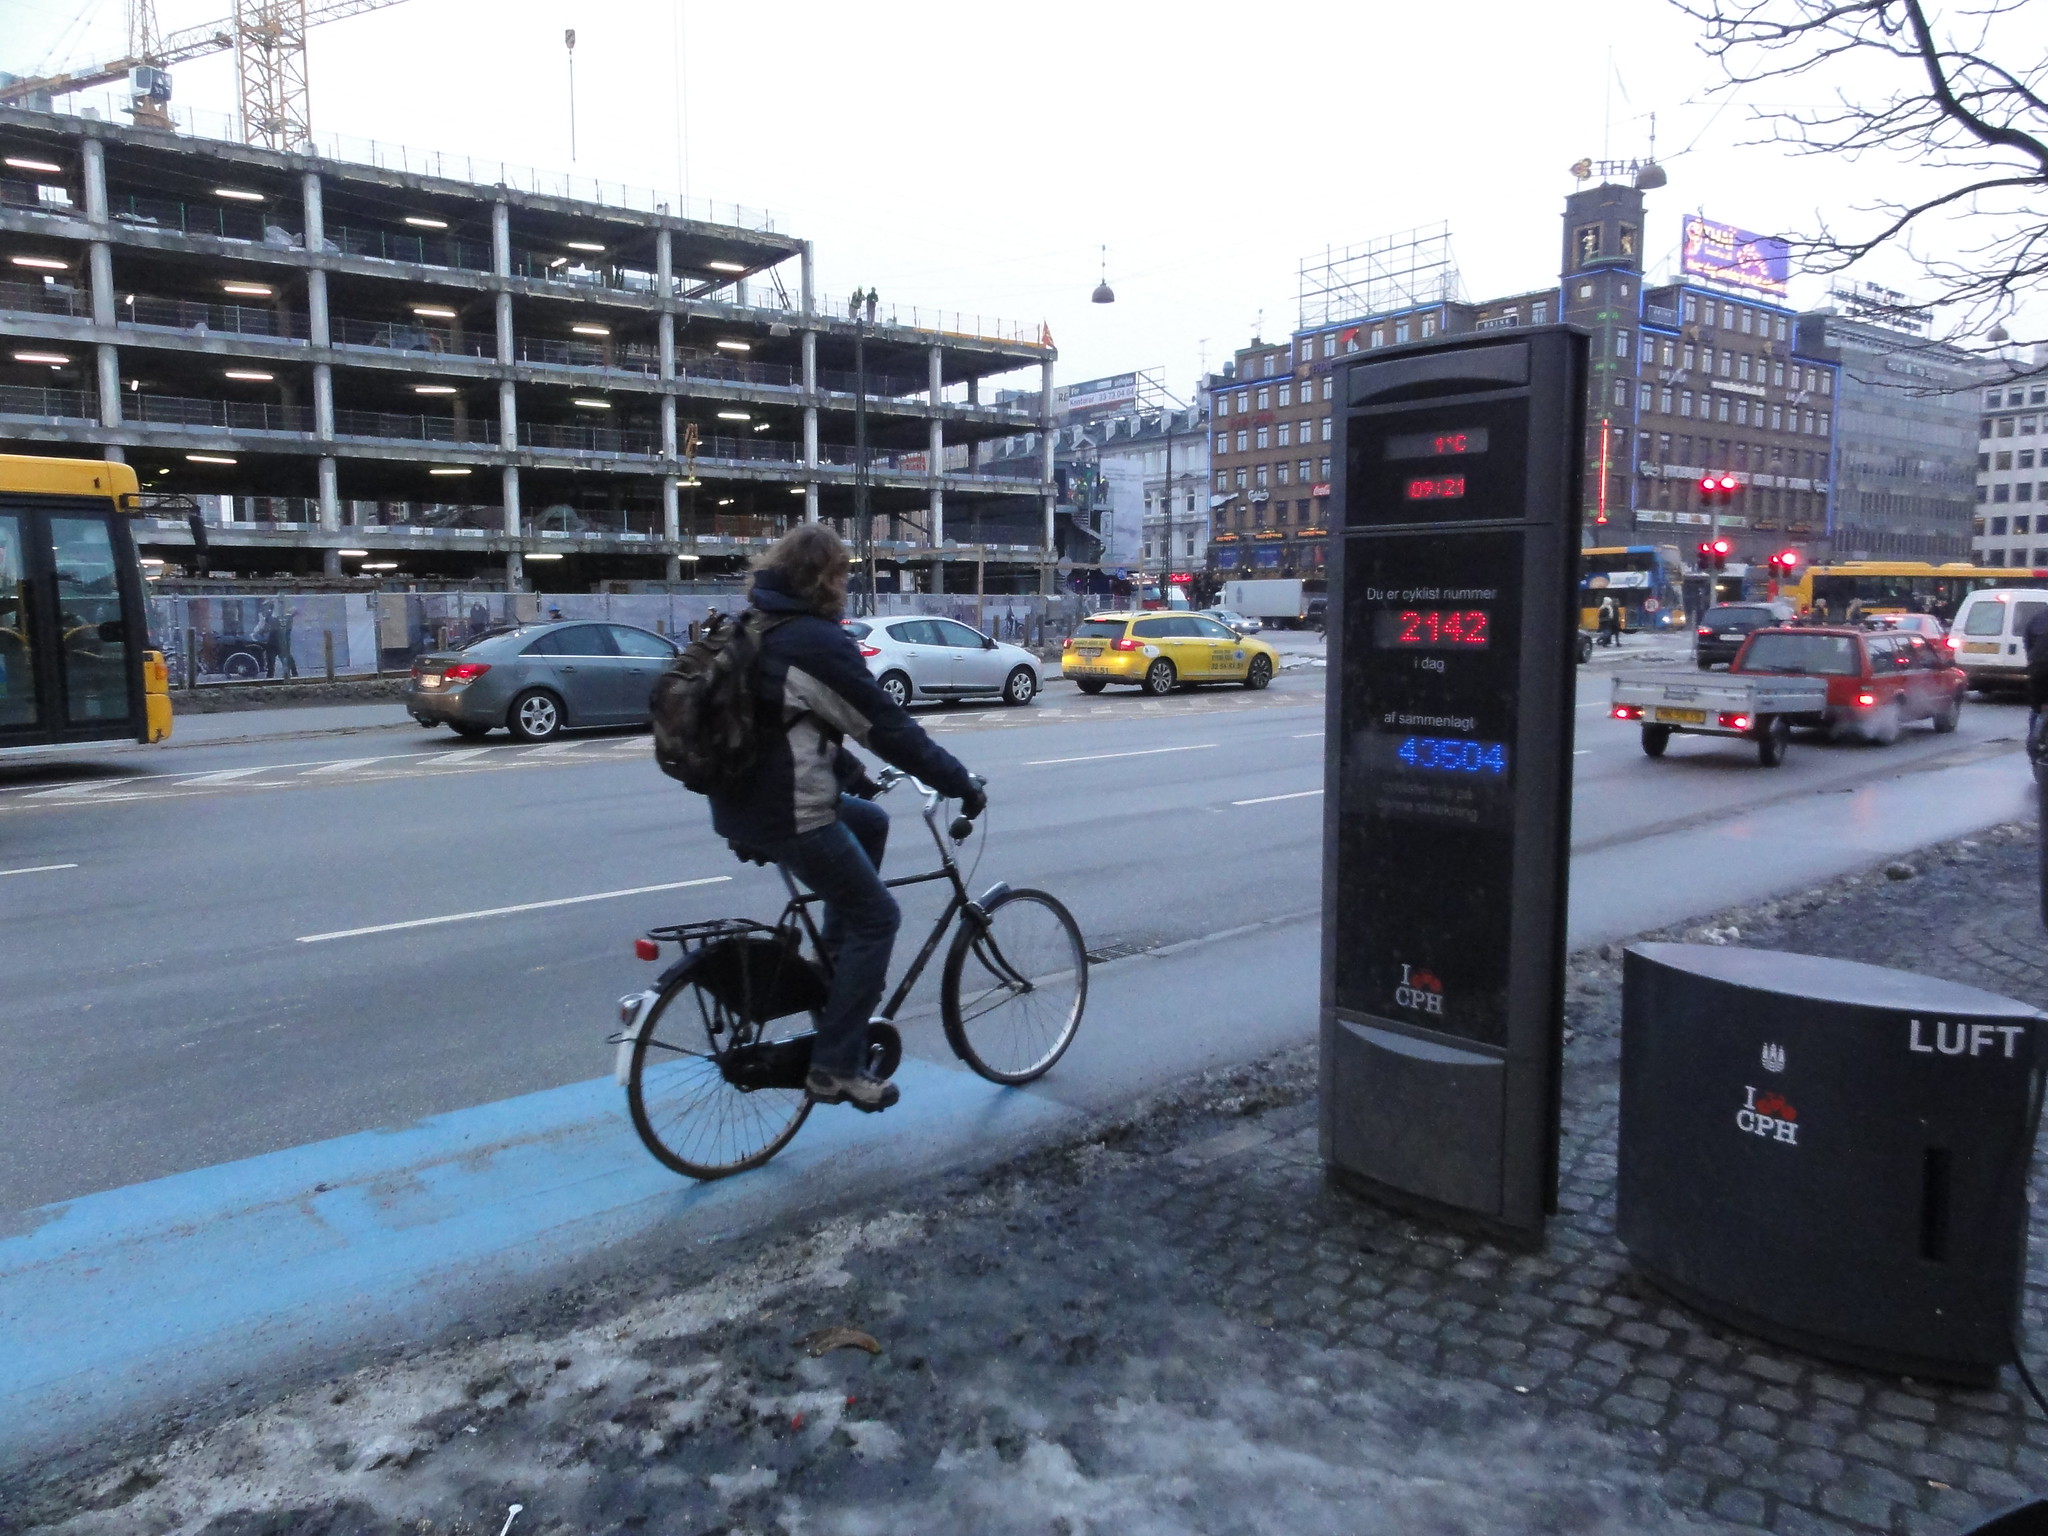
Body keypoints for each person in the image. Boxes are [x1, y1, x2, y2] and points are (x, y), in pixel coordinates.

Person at [708, 524, 983, 1113]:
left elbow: (791, 724)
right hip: (787, 811)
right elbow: (887, 727)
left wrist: (854, 780)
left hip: (739, 801)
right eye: (841, 572)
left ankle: (830, 974)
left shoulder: (758, 625)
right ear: (820, 577)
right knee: (878, 917)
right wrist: (957, 782)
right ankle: (835, 1067)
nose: (846, 583)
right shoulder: (813, 639)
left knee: (870, 823)